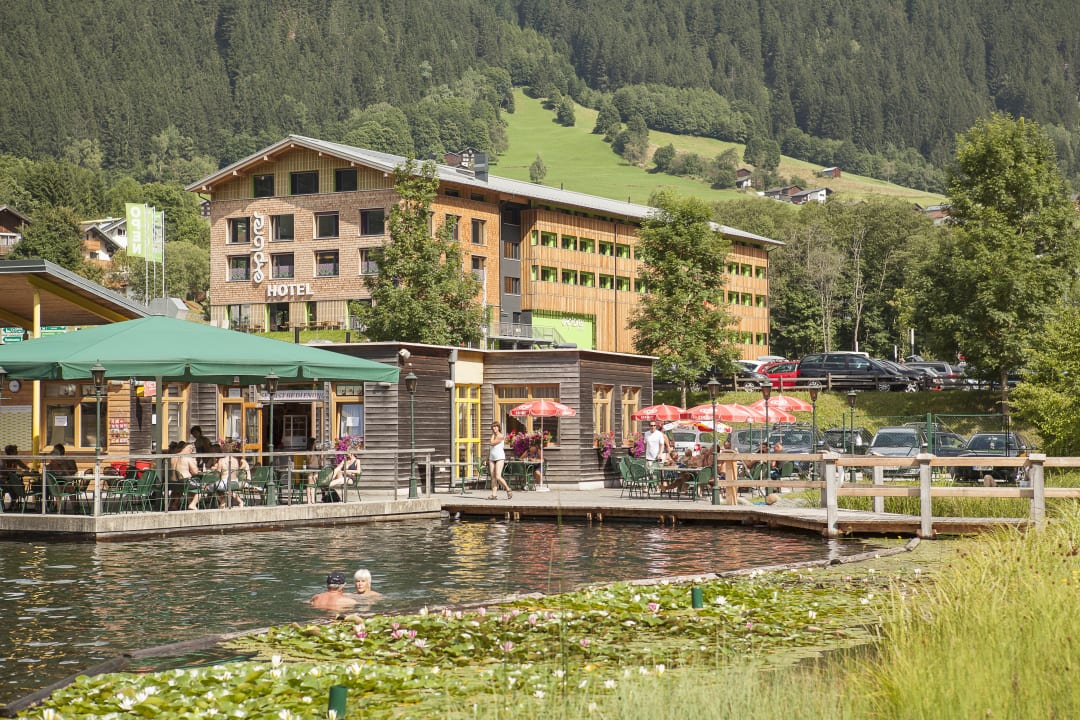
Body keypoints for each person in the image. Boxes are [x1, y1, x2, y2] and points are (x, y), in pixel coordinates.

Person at [210, 443, 249, 508]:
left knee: (211, 486)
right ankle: (227, 502)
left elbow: (218, 473)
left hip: (225, 482)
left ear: (222, 451)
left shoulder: (221, 460)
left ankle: (222, 501)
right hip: (235, 482)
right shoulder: (236, 460)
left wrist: (214, 471)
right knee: (227, 489)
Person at [172, 441, 203, 510]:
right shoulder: (188, 458)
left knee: (189, 488)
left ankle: (174, 505)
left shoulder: (173, 457)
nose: (191, 452)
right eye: (192, 450)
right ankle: (192, 504)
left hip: (172, 483)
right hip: (184, 481)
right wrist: (195, 463)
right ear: (189, 448)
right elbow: (195, 472)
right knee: (201, 487)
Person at [487, 422, 512, 500]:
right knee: (493, 477)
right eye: (493, 427)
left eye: (496, 427)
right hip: (492, 458)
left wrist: (492, 437)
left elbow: (492, 443)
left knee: (498, 476)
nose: (494, 428)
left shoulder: (500, 436)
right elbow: (490, 448)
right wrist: (486, 458)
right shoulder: (493, 436)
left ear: (498, 428)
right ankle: (494, 495)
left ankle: (508, 489)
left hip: (499, 458)